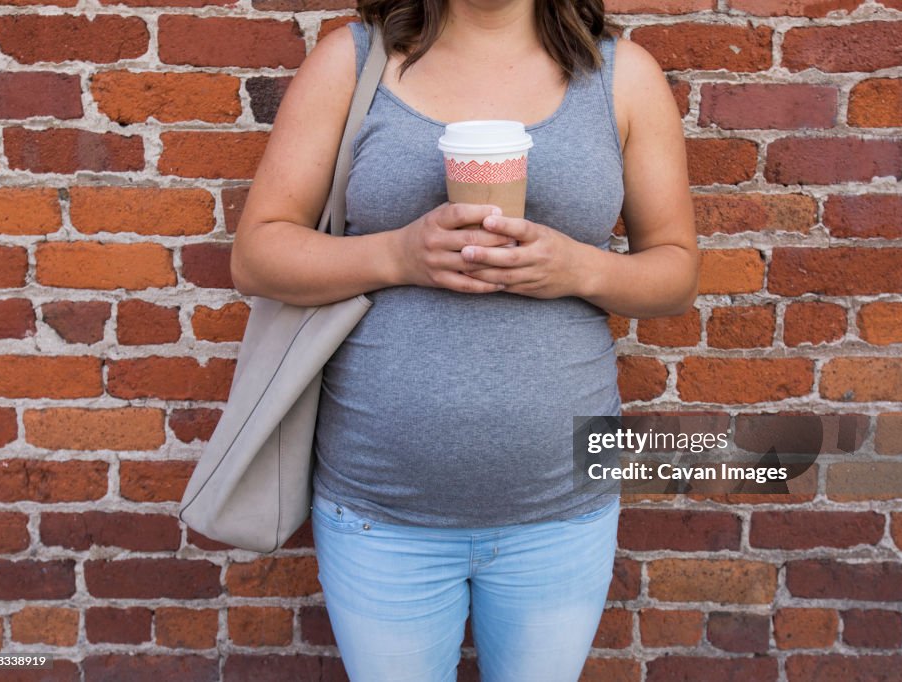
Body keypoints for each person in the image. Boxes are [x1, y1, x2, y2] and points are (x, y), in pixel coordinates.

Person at [229, 0, 697, 678]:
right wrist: (398, 255)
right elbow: (257, 256)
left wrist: (577, 267)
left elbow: (676, 273)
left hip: (561, 511)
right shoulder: (353, 62)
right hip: (380, 512)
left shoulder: (620, 77)